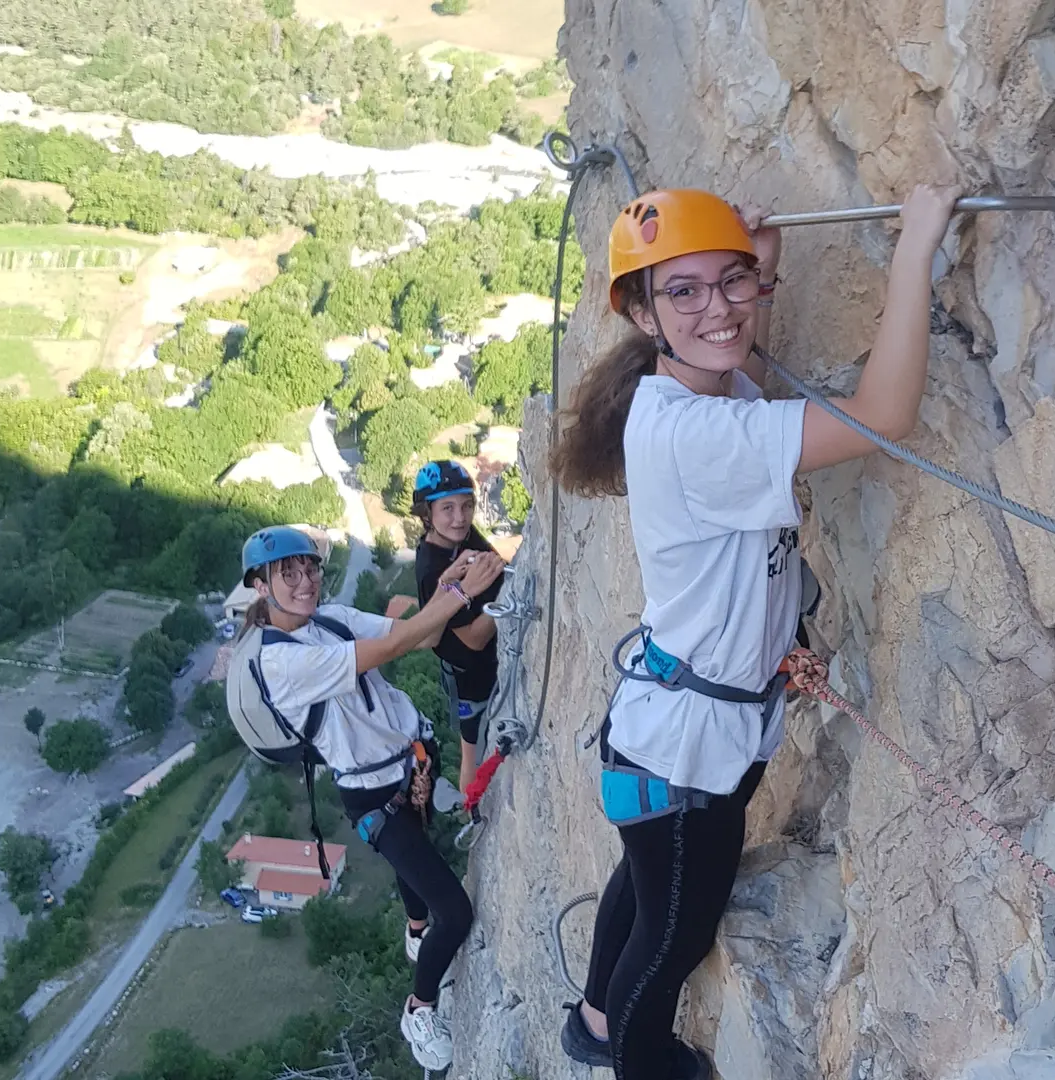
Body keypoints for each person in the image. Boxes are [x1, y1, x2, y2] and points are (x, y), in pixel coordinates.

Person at [547, 181, 963, 1079]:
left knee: (645, 883)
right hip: (689, 753)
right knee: (672, 939)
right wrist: (915, 248)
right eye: (685, 292)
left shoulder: (686, 396)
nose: (718, 307)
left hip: (663, 730)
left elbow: (745, 376)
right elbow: (883, 418)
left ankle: (589, 1019)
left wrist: (757, 273)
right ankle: (640, 1059)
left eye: (730, 282)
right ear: (643, 313)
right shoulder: (697, 434)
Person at [237, 524, 503, 1071]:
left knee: (418, 861)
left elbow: (421, 635)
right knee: (454, 912)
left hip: (409, 764)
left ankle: (414, 931)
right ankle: (419, 1007)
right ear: (261, 587)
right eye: (286, 574)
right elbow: (395, 645)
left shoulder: (329, 619)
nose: (304, 581)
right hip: (371, 793)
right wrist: (458, 594)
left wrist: (445, 588)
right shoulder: (280, 661)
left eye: (308, 568)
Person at [410, 459, 511, 797]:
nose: (460, 516)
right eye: (448, 508)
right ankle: (471, 810)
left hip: (489, 663)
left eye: (467, 506)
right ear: (428, 513)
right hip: (470, 677)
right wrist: (509, 601)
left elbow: (493, 562)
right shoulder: (432, 567)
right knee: (472, 747)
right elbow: (474, 638)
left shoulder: (462, 538)